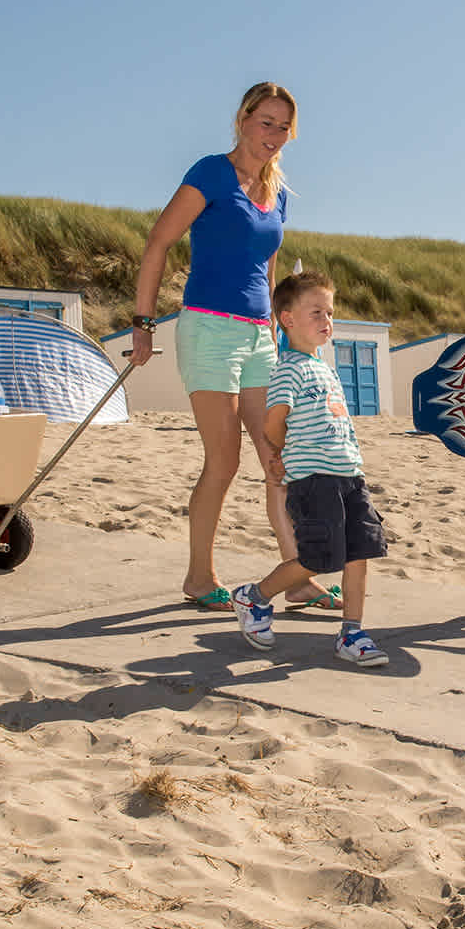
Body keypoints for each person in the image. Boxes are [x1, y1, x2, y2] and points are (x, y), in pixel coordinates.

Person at [129, 82, 335, 613]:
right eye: (265, 122)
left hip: (257, 333)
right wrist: (142, 322)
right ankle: (200, 577)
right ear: (243, 119)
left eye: (283, 126)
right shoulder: (211, 173)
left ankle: (297, 577)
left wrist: (275, 323)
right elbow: (159, 241)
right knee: (224, 461)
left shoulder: (278, 192)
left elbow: (266, 266)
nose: (274, 134)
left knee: (277, 457)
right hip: (208, 329)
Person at [228, 272, 388, 668]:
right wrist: (279, 454)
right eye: (316, 312)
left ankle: (353, 631)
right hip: (313, 479)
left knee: (358, 552)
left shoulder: (326, 368)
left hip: (349, 475)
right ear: (287, 319)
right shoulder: (289, 368)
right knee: (317, 557)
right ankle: (255, 596)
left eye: (330, 313)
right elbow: (273, 421)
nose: (326, 320)